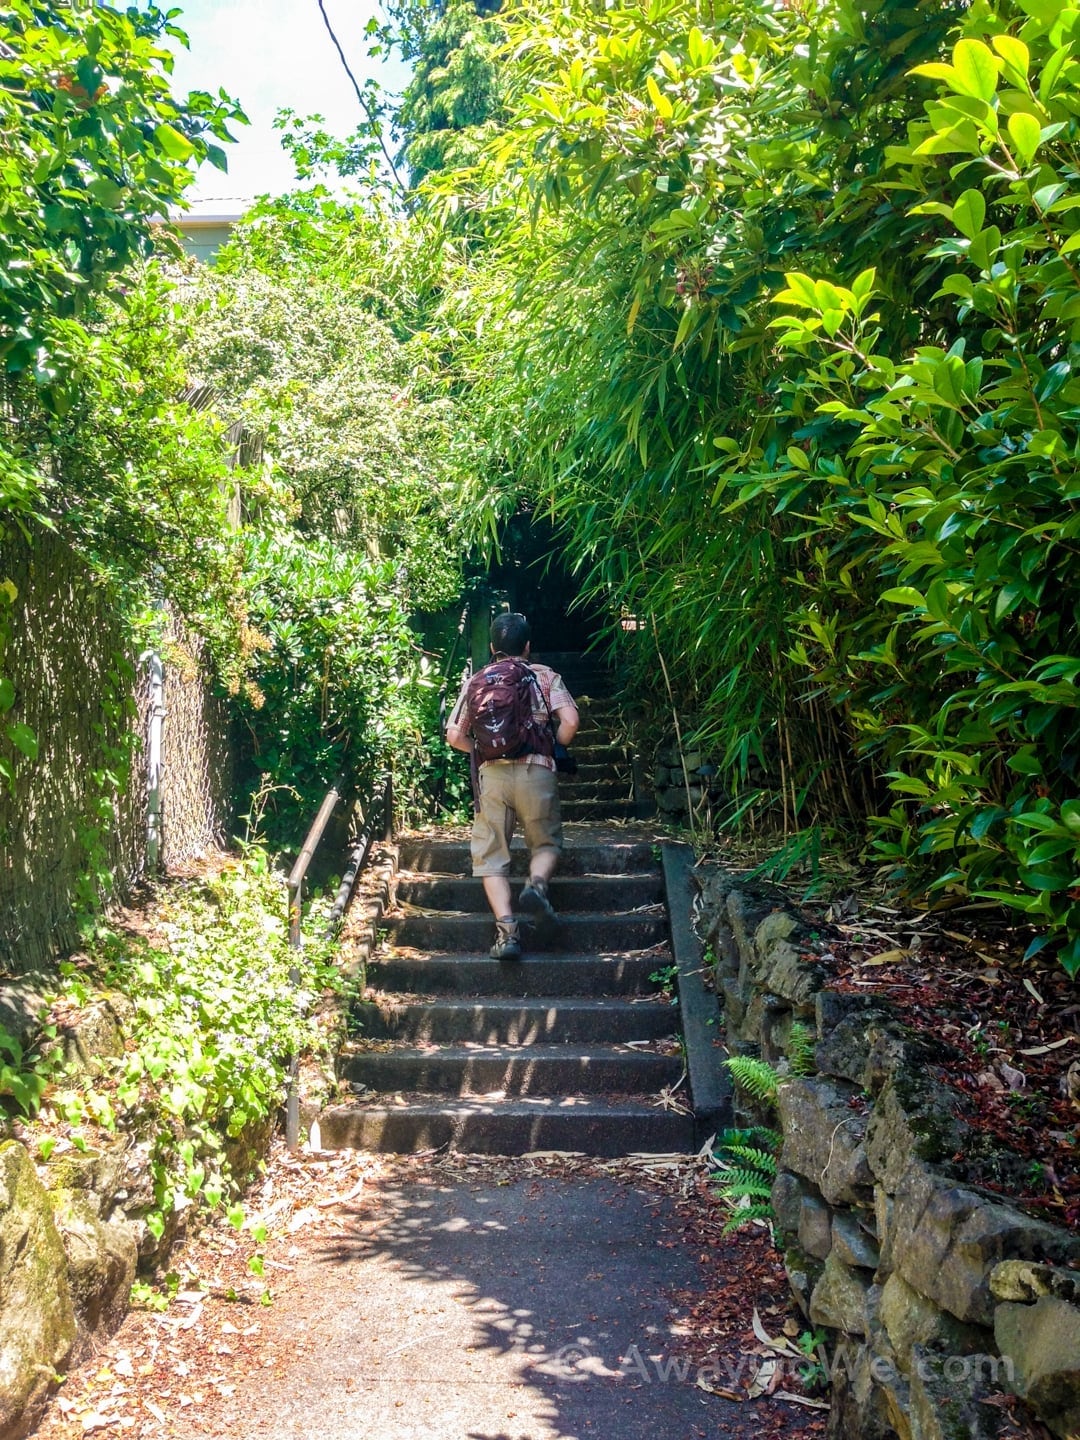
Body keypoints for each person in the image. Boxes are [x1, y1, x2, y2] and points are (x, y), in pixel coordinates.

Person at [446, 612, 579, 960]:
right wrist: (555, 746)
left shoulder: (477, 679)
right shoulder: (543, 676)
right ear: (528, 646)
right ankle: (535, 886)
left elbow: (454, 735)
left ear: (493, 647)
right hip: (537, 769)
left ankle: (507, 935)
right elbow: (570, 721)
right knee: (546, 841)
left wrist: (480, 749)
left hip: (492, 775)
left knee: (491, 854)